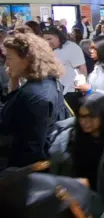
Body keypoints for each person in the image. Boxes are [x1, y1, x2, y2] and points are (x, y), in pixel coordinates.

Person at [0, 33, 68, 168]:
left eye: (10, 58)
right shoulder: (49, 82)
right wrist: (14, 81)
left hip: (24, 169)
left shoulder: (34, 95)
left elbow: (31, 146)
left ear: (27, 59)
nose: (7, 63)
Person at [43, 27, 87, 113]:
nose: (47, 42)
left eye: (49, 38)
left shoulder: (72, 47)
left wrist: (82, 88)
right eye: (45, 40)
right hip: (57, 92)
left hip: (71, 91)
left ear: (57, 36)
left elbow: (82, 69)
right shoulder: (50, 50)